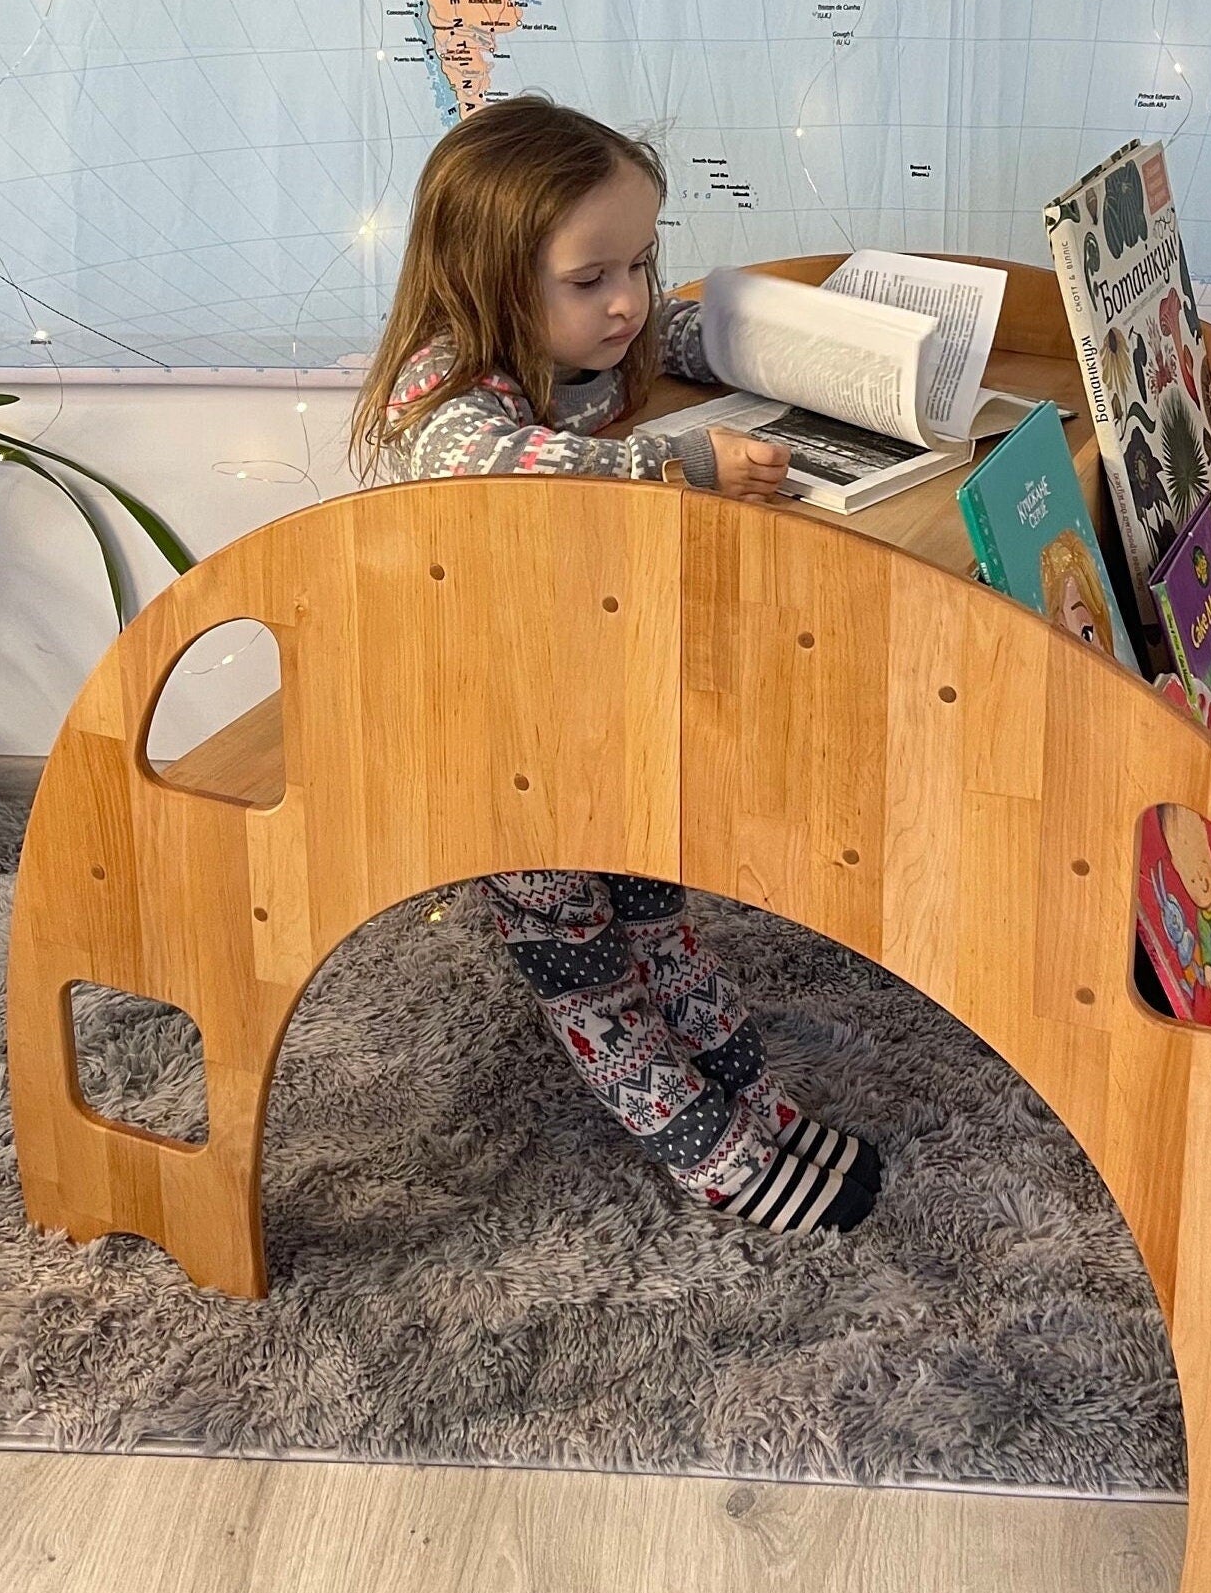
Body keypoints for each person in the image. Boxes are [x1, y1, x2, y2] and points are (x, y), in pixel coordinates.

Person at [349, 95, 882, 1234]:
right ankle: (706, 1147)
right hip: (480, 730)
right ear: (488, 280)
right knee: (576, 951)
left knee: (655, 912)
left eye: (639, 261)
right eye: (591, 278)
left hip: (573, 687)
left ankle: (749, 1095)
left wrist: (789, 346)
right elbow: (503, 466)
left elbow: (673, 329)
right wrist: (682, 462)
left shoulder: (589, 335)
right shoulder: (442, 399)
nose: (626, 299)